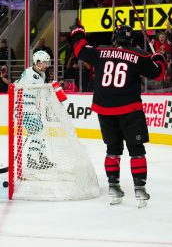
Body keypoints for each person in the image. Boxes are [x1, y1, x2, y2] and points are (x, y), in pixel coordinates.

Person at [70, 22, 166, 207]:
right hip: (129, 109)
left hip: (104, 109)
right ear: (131, 38)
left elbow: (79, 49)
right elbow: (159, 74)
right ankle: (139, 189)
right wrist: (159, 57)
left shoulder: (101, 51)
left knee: (112, 149)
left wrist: (78, 31)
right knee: (136, 150)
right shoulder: (139, 55)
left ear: (115, 37)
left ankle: (113, 187)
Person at [15, 50, 54, 170]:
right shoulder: (28, 73)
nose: (47, 65)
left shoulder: (41, 74)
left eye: (48, 62)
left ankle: (40, 157)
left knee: (39, 132)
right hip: (24, 109)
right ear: (37, 62)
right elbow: (17, 86)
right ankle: (32, 159)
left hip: (32, 109)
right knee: (37, 132)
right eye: (45, 62)